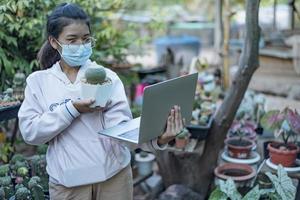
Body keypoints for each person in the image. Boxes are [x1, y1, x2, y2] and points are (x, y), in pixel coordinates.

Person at [18, 3, 185, 200]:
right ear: (54, 42)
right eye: (72, 40)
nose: (81, 45)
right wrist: (72, 109)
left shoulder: (108, 77)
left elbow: (122, 131)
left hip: (114, 179)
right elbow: (30, 132)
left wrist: (161, 138)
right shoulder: (39, 82)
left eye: (86, 39)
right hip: (68, 184)